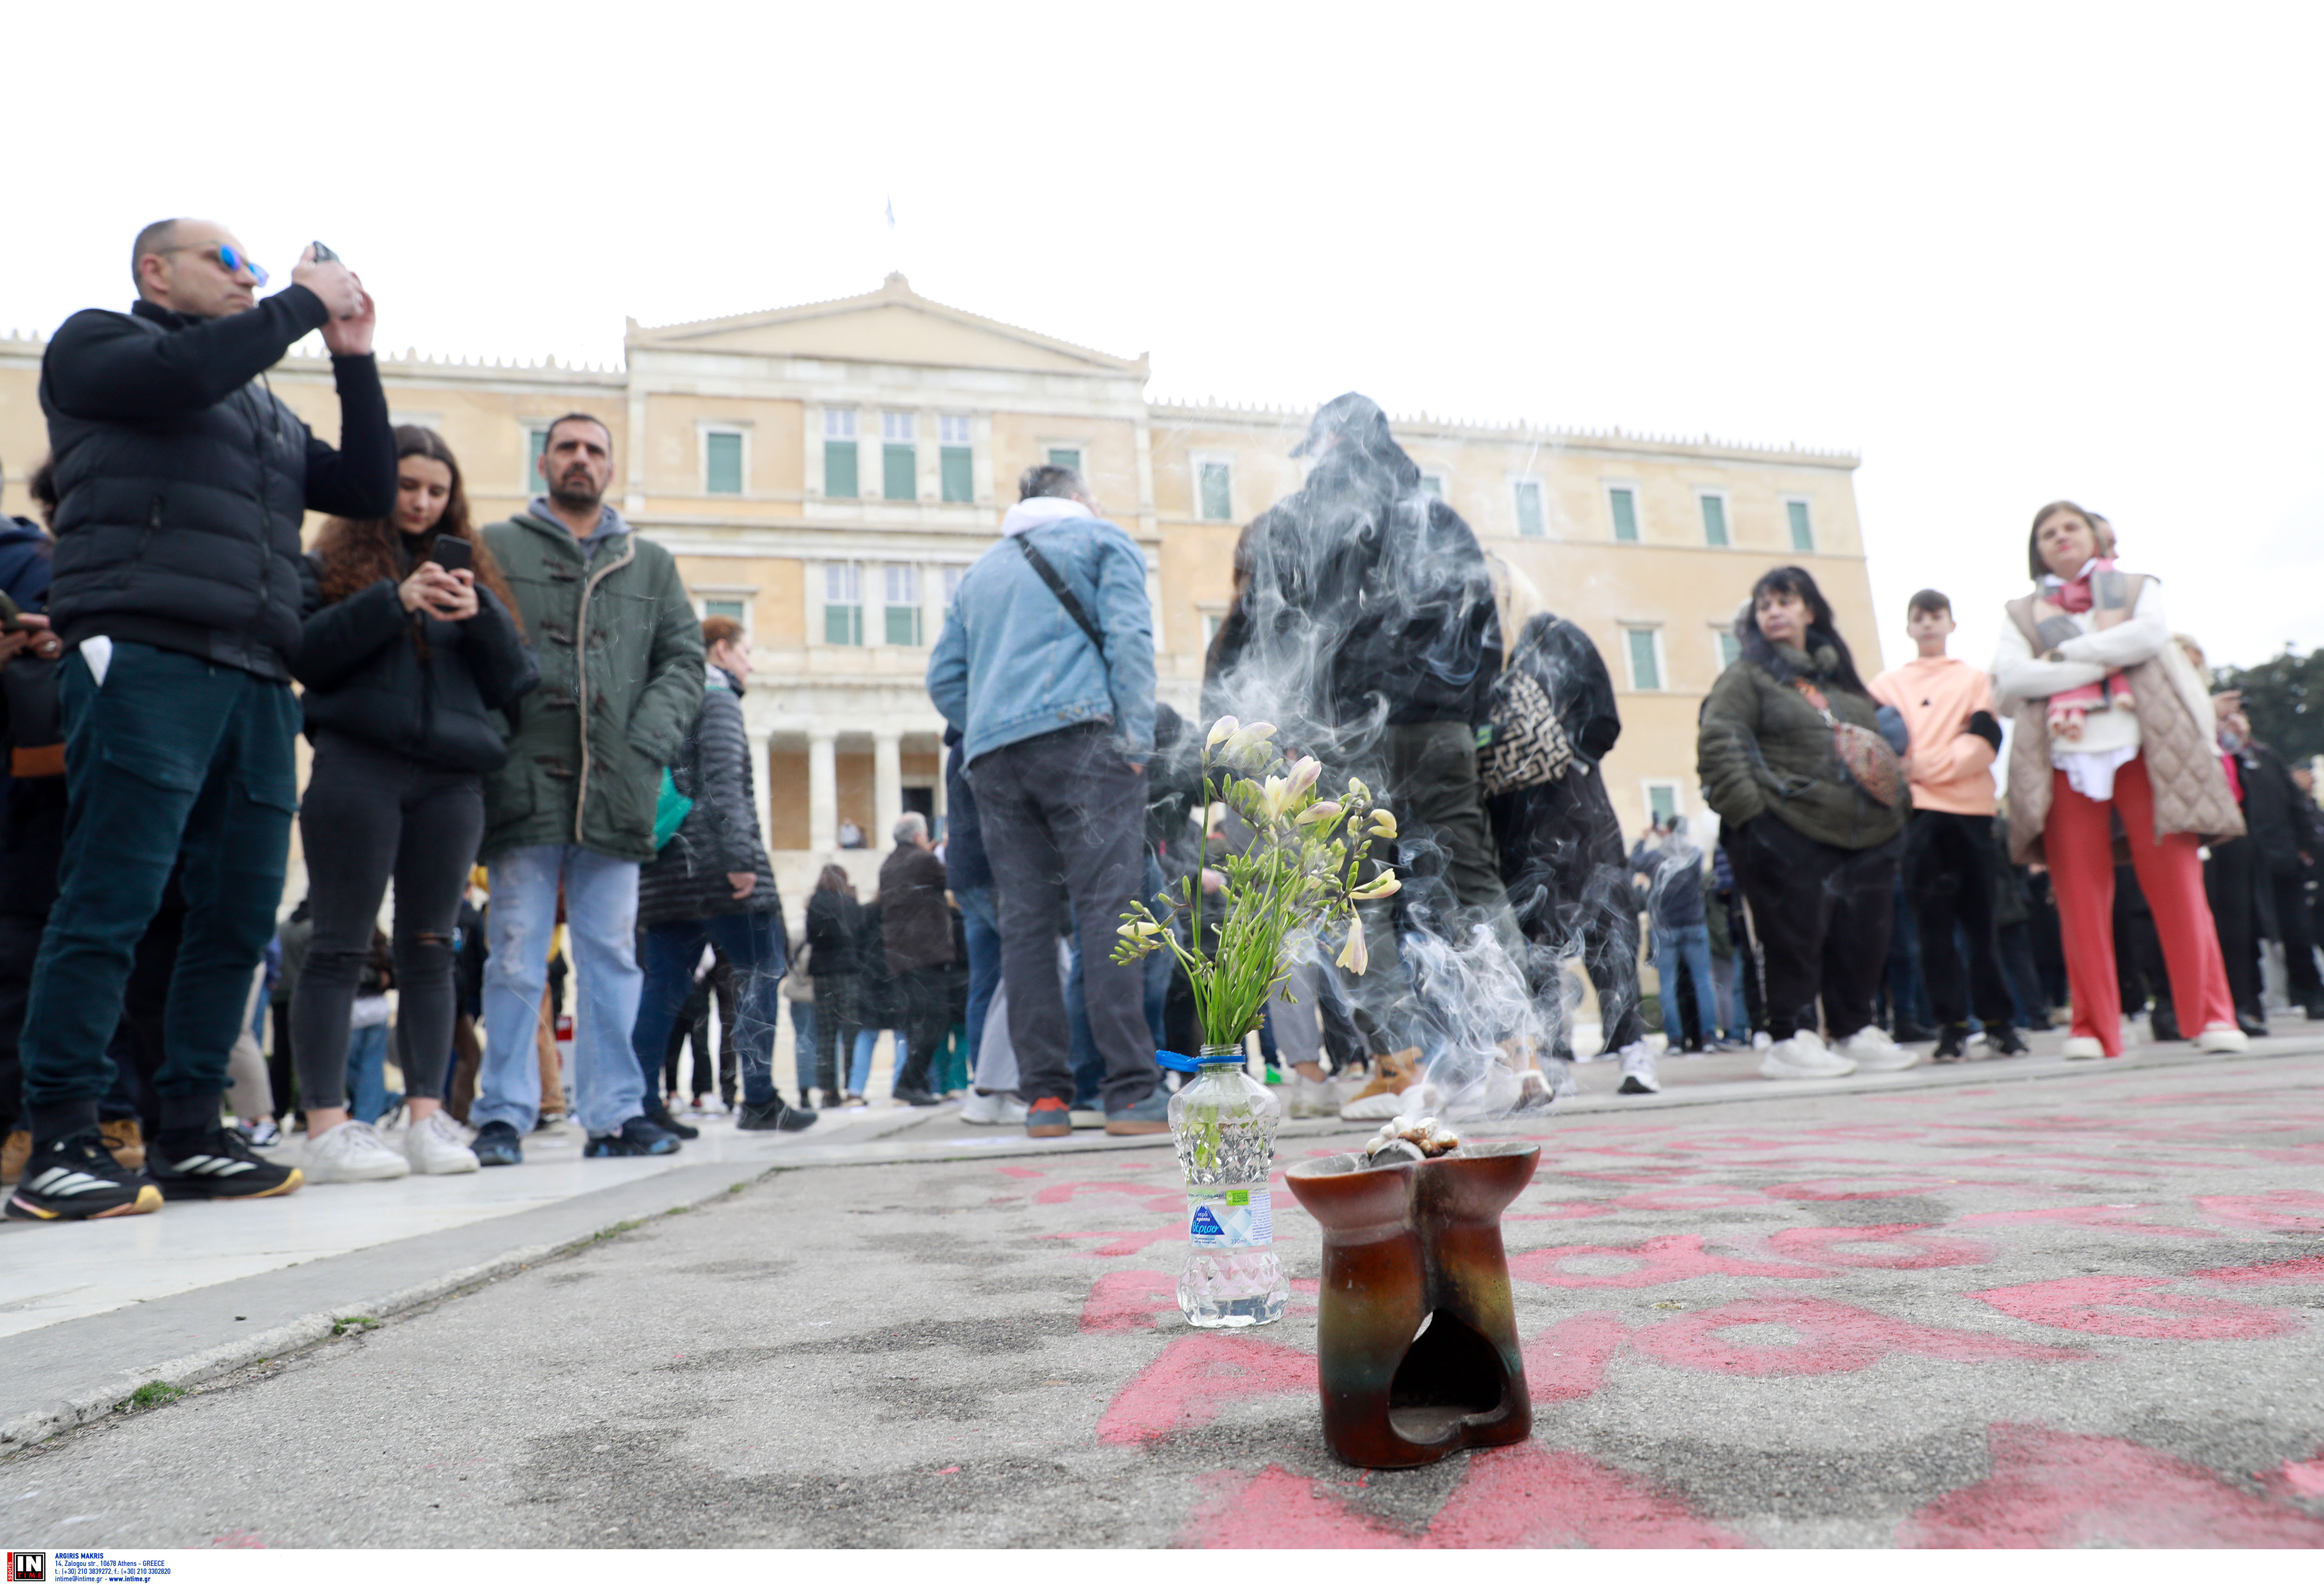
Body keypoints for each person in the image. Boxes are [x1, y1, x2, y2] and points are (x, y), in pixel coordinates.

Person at [10, 221, 392, 1222]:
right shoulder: (99, 346)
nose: (253, 279)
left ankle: (192, 1130)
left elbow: (364, 490)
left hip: (258, 671)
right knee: (111, 895)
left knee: (235, 912)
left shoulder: (257, 408)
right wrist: (303, 304)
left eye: (258, 270)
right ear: (156, 271)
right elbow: (182, 375)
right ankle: (62, 1134)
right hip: (146, 651)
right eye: (231, 263)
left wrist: (354, 361)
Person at [1206, 395, 1511, 1073]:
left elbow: (1271, 637)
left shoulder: (1292, 521)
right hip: (1440, 726)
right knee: (1471, 883)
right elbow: (1486, 626)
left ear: (1332, 440)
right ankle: (1518, 1049)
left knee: (1356, 897)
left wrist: (1289, 732)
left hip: (1343, 731)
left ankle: (1398, 1066)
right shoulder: (1439, 518)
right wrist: (1472, 717)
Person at [288, 425, 537, 1182]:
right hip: (357, 766)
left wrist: (482, 613)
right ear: (376, 491)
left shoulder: (477, 579)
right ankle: (328, 1125)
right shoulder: (327, 565)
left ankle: (429, 1119)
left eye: (437, 491)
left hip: (452, 782)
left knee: (432, 948)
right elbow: (305, 654)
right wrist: (393, 601)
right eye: (408, 487)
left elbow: (515, 684)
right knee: (340, 944)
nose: (424, 503)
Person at [471, 413, 704, 1165]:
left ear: (611, 467)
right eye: (567, 447)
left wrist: (647, 743)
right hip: (523, 781)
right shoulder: (498, 549)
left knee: (611, 955)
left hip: (618, 786)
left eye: (594, 450)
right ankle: (502, 1113)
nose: (580, 459)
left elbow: (684, 661)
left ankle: (612, 1113)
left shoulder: (652, 563)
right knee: (514, 953)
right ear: (544, 461)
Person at [926, 462, 1166, 1138]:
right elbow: (1130, 641)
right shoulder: (1102, 541)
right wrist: (1138, 737)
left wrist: (993, 720)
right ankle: (1129, 1092)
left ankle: (1046, 1101)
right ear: (1079, 498)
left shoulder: (981, 574)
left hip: (996, 762)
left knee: (1026, 924)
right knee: (1108, 911)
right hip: (1088, 741)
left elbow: (943, 678)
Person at [1992, 502, 2243, 1058]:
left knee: (2177, 886)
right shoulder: (2021, 611)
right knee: (2079, 896)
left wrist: (2064, 655)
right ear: (2036, 548)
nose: (2060, 538)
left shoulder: (2135, 589)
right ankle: (2092, 1026)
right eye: (2047, 532)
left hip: (2145, 748)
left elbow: (2149, 639)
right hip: (2065, 756)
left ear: (2093, 536)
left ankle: (2210, 1015)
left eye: (2070, 527)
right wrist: (2102, 663)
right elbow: (2009, 678)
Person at [1698, 566, 1911, 1080]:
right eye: (1763, 604)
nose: (1772, 611)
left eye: (1784, 602)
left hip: (1866, 834)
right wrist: (1755, 821)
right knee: (1792, 938)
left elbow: (1884, 750)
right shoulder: (1744, 676)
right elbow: (1718, 744)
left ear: (1808, 611)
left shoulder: (1842, 681)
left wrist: (1896, 813)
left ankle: (1853, 1028)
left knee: (1863, 934)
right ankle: (1792, 1036)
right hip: (1785, 827)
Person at [631, 614, 814, 1133]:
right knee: (761, 968)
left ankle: (642, 1102)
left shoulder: (661, 704)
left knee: (663, 986)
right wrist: (740, 858)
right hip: (718, 867)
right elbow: (724, 782)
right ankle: (757, 1098)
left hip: (667, 870)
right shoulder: (716, 701)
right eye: (745, 652)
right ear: (718, 651)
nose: (750, 664)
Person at [1484, 610, 1652, 1090]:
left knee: (1608, 932)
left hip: (1578, 813)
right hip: (1516, 821)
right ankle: (1551, 1053)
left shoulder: (1550, 636)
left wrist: (1572, 763)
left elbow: (1600, 712)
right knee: (1535, 940)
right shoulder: (1479, 656)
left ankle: (1632, 1049)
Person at [1868, 589, 2029, 1062]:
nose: (1927, 624)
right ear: (1908, 626)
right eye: (1918, 617)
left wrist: (1919, 764)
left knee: (1983, 927)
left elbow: (1982, 742)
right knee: (1932, 931)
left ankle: (2000, 1024)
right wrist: (1923, 765)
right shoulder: (1886, 685)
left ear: (1950, 623)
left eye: (1935, 615)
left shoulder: (1974, 680)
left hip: (1973, 814)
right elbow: (1880, 748)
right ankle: (1950, 1027)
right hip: (1918, 818)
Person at [944, 726, 1020, 1124]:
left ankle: (986, 1091)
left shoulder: (957, 744)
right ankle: (991, 1087)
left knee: (986, 984)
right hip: (990, 872)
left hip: (966, 874)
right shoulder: (978, 738)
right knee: (1028, 968)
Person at [878, 812, 954, 1107]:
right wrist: (943, 849)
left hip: (900, 957)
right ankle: (908, 1084)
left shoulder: (889, 863)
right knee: (934, 1021)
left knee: (916, 1024)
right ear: (920, 837)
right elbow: (952, 876)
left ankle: (916, 1085)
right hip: (926, 955)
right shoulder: (924, 861)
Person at [1631, 817, 1713, 1077]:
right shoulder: (1696, 855)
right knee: (1703, 981)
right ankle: (1709, 1037)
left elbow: (1633, 862)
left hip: (1664, 926)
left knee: (1667, 984)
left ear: (1667, 831)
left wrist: (1646, 838)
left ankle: (1675, 1040)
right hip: (1694, 922)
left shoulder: (1655, 857)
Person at [804, 865, 865, 1107]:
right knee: (851, 1033)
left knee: (826, 1034)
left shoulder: (815, 903)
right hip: (849, 973)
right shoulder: (850, 903)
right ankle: (853, 1087)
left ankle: (829, 1091)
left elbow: (811, 937)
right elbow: (860, 936)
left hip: (823, 973)